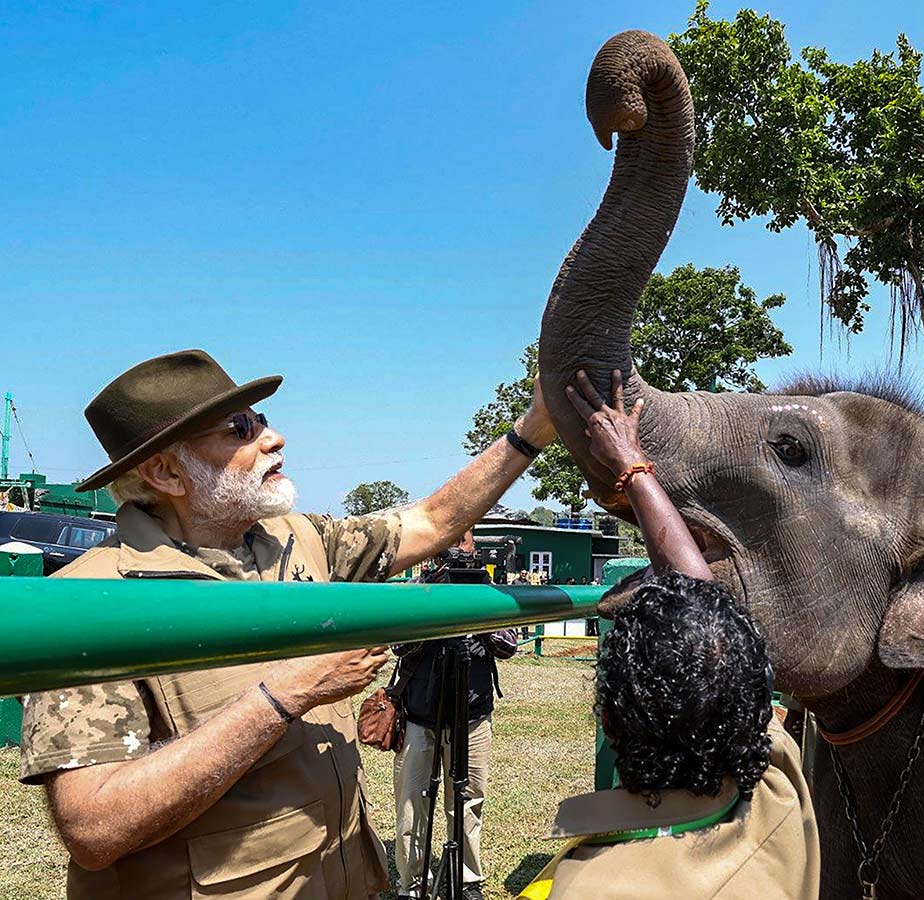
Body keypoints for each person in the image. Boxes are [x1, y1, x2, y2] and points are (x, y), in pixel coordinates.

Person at [17, 349, 555, 900]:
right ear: (164, 471)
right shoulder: (94, 602)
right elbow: (94, 828)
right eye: (240, 429)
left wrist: (534, 427)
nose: (274, 438)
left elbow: (430, 521)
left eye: (263, 421)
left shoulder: (299, 539)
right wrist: (288, 693)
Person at [517, 370, 819, 899]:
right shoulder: (777, 785)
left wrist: (629, 469)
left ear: (608, 721)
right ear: (754, 709)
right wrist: (634, 469)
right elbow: (698, 594)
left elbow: (699, 596)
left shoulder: (592, 887)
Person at [390, 533, 517, 899]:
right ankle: (412, 883)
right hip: (420, 714)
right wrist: (435, 606)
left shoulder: (488, 591)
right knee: (413, 803)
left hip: (472, 715)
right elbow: (398, 644)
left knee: (468, 801)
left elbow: (508, 646)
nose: (461, 550)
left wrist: (477, 612)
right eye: (452, 541)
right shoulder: (419, 587)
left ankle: (467, 879)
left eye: (466, 541)